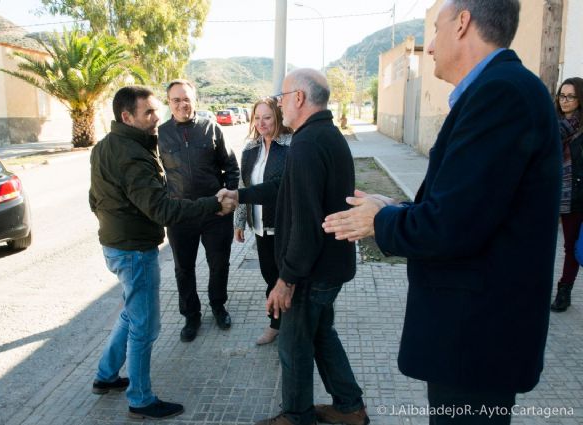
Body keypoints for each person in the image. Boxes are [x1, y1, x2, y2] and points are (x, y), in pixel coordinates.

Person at [323, 1, 561, 424]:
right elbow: (470, 206)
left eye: (436, 28)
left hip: (475, 340)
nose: (430, 46)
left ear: (464, 22)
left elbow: (450, 227)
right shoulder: (501, 88)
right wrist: (394, 206)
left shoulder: (500, 93)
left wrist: (379, 222)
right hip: (477, 337)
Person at [220, 68, 369, 425]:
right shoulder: (325, 136)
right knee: (320, 335)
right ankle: (350, 408)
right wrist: (240, 194)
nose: (279, 104)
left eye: (282, 97)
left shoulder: (306, 144)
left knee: (293, 345)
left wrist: (286, 280)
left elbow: (305, 223)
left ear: (299, 98)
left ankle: (297, 416)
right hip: (329, 266)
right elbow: (281, 188)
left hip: (312, 272)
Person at [89, 86, 235, 420]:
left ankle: (105, 375)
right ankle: (140, 399)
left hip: (115, 245)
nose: (158, 118)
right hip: (134, 251)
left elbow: (94, 199)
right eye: (150, 112)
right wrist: (212, 203)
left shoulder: (107, 146)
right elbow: (161, 208)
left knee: (130, 313)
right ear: (127, 117)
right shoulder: (132, 155)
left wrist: (115, 221)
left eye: (158, 110)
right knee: (145, 327)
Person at [158, 79, 240, 342]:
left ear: (195, 100)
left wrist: (227, 198)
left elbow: (231, 167)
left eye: (186, 98)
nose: (182, 104)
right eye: (176, 100)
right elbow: (155, 176)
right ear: (169, 103)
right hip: (180, 217)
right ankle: (191, 316)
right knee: (183, 269)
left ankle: (218, 306)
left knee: (219, 264)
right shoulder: (160, 134)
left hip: (215, 215)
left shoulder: (211, 128)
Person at [233, 97, 292, 345]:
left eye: (267, 117)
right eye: (257, 118)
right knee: (271, 278)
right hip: (260, 227)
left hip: (285, 227)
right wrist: (239, 221)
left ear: (278, 117)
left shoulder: (292, 145)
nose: (261, 123)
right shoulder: (250, 149)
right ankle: (275, 325)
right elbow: (243, 186)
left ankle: (292, 328)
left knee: (288, 280)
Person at [552, 77, 583, 312]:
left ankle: (564, 290)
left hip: (577, 195)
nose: (565, 101)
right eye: (562, 95)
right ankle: (560, 290)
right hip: (555, 193)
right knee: (563, 245)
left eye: (570, 96)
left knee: (574, 247)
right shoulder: (551, 126)